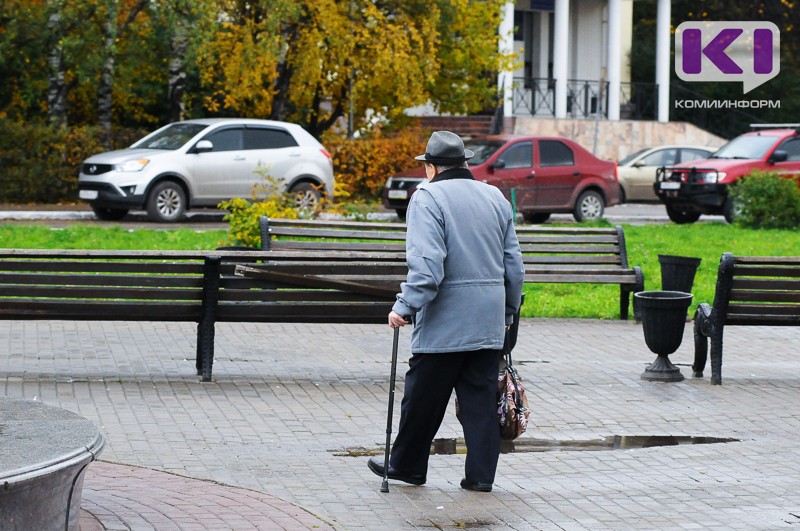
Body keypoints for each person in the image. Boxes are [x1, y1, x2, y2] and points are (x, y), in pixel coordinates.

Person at [367, 130, 525, 492]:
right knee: (480, 403)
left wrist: (404, 306)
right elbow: (514, 266)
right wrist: (508, 311)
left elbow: (427, 267)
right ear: (464, 163)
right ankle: (481, 477)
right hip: (487, 321)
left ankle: (407, 466)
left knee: (422, 398)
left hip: (445, 323)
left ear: (431, 168)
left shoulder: (427, 198)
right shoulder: (495, 197)